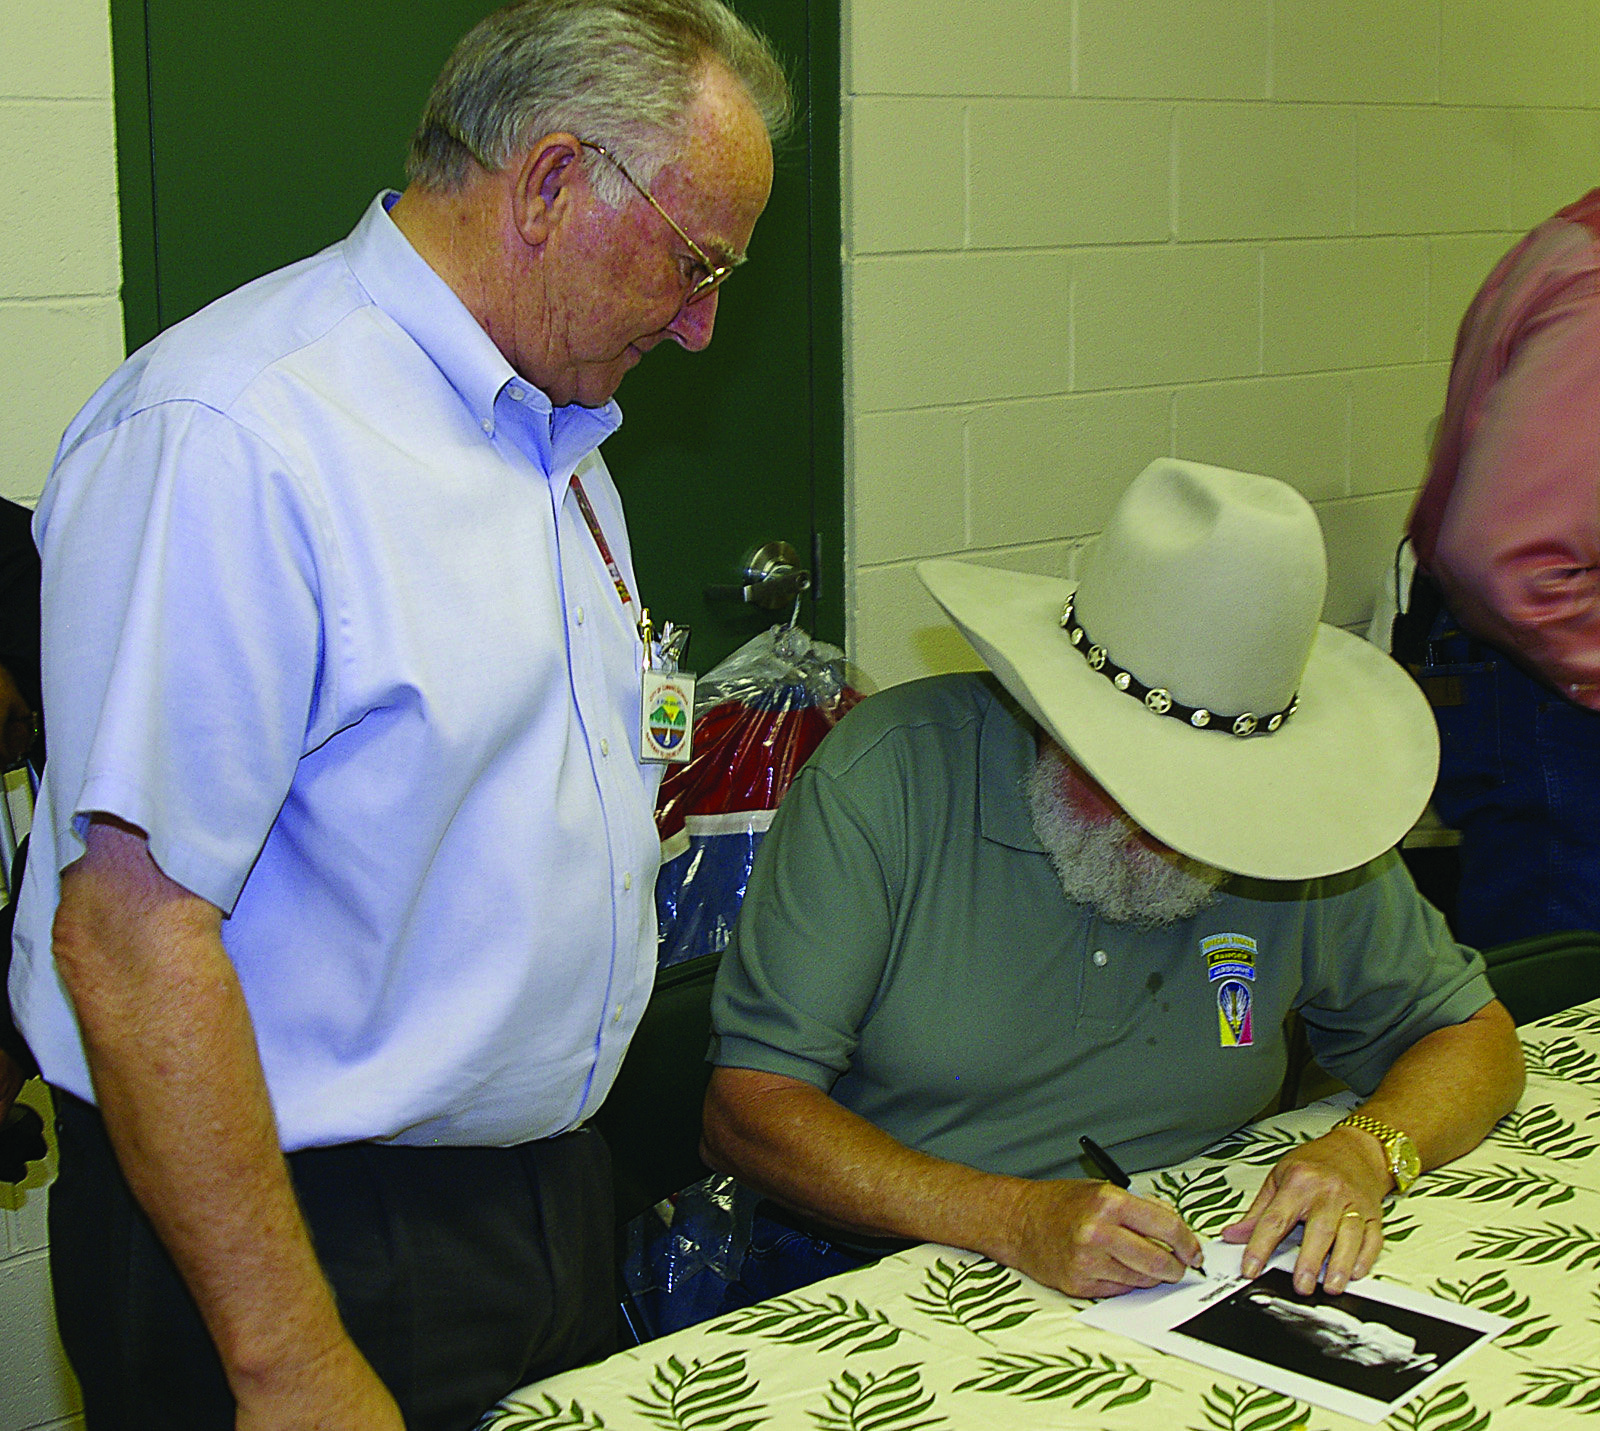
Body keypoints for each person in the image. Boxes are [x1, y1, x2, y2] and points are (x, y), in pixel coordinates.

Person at [7, 2, 789, 1427]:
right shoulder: (237, 432)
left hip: (534, 1194)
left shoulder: (549, 435)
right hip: (295, 1229)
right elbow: (126, 934)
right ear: (550, 182)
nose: (701, 321)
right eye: (694, 259)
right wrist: (287, 1358)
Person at [703, 458, 1524, 1307]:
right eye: (1132, 775)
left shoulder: (1296, 823)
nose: (1167, 825)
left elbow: (1473, 1035)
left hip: (1187, 1277)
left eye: (1206, 791)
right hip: (886, 1266)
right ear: (1051, 711)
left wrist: (1363, 1148)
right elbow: (748, 1110)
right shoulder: (889, 778)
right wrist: (1013, 1216)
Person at [1404, 188, 1600, 947]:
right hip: (1550, 703)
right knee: (1566, 1018)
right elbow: (1513, 562)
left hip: (1534, 690)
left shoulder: (1571, 238)